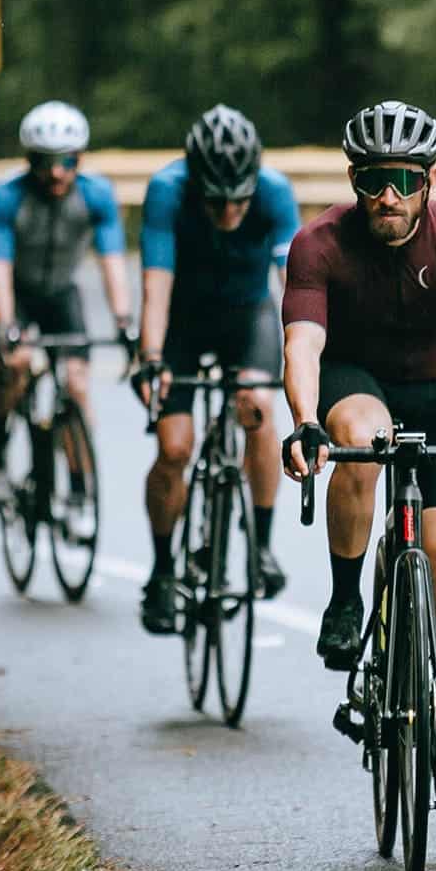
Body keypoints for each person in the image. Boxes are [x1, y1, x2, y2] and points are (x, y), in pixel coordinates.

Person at [279, 99, 436, 809]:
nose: (385, 195)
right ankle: (342, 600)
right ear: (353, 180)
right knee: (361, 439)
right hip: (356, 383)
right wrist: (305, 422)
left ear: (428, 179)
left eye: (401, 178)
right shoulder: (320, 244)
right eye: (370, 180)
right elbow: (302, 344)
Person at [133, 104, 301, 634]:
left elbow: (294, 289)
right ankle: (162, 572)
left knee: (257, 406)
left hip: (246, 315)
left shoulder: (274, 193)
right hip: (183, 318)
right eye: (216, 200)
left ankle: (263, 548)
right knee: (174, 447)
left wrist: (308, 359)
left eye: (238, 199)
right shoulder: (167, 191)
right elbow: (155, 286)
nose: (229, 211)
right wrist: (152, 358)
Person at [0, 100, 135, 533]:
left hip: (61, 293)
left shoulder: (97, 195)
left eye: (67, 161)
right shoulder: (6, 197)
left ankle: (81, 490)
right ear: (29, 161)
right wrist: (7, 327)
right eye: (45, 162)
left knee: (78, 384)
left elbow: (112, 261)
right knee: (17, 363)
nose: (57, 173)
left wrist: (125, 320)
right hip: (15, 292)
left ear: (79, 159)